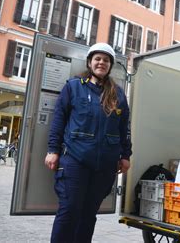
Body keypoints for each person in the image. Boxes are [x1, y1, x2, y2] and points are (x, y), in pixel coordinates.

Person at [44, 43, 132, 242]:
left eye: (106, 60)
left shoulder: (118, 94)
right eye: (98, 59)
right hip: (75, 160)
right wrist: (53, 149)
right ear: (90, 62)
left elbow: (124, 128)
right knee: (69, 210)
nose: (101, 63)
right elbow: (59, 120)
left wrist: (126, 155)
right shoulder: (74, 87)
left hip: (105, 165)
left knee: (88, 215)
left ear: (110, 66)